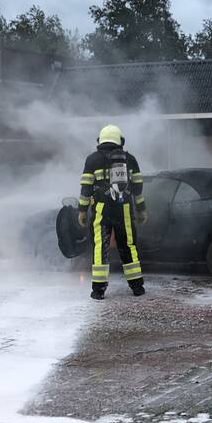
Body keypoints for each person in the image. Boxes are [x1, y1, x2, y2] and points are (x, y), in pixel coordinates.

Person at [78, 124, 147, 300]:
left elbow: (86, 188)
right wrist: (141, 210)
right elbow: (138, 188)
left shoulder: (92, 160)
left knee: (101, 247)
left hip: (101, 209)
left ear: (100, 140)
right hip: (124, 208)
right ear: (120, 140)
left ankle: (98, 290)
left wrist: (82, 210)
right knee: (128, 245)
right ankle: (137, 287)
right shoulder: (129, 159)